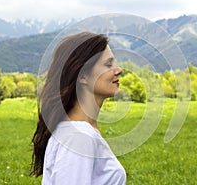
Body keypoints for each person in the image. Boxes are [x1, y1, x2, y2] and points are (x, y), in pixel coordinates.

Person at [30, 32, 126, 185]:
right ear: (83, 76)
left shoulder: (80, 132)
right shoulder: (78, 137)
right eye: (108, 64)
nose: (118, 70)